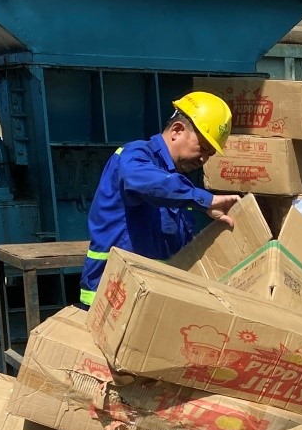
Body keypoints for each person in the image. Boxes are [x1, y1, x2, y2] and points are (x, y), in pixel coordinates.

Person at [80, 91, 241, 307]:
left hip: (148, 296)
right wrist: (203, 200)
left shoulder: (175, 179)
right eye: (203, 148)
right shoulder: (134, 155)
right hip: (113, 297)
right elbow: (148, 182)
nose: (204, 159)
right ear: (177, 131)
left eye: (210, 154)